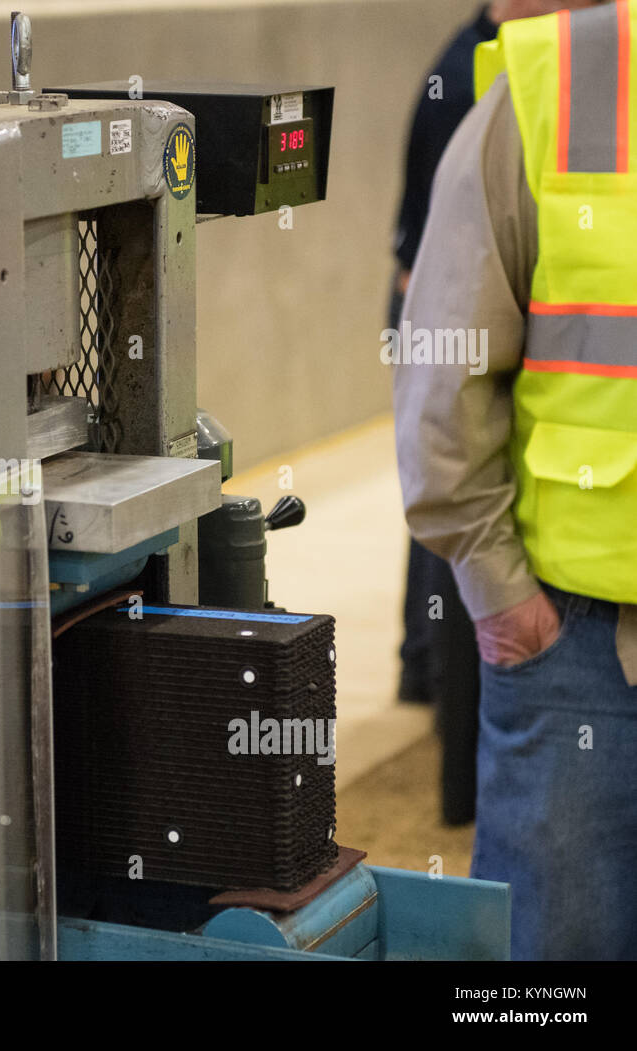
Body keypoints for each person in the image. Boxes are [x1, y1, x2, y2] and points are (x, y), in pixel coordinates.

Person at [392, 0, 633, 959]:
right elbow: (444, 366)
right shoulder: (556, 81)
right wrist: (498, 590)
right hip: (579, 651)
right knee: (550, 967)